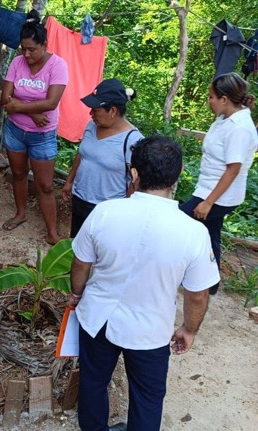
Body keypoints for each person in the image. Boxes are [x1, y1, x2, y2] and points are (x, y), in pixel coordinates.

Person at [69, 136, 220, 431]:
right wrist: (189, 329)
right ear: (176, 178)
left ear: (134, 174)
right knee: (148, 397)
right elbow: (198, 294)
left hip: (98, 318)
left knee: (92, 383)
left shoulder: (104, 212)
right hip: (150, 331)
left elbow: (80, 264)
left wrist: (77, 294)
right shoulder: (193, 233)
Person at [180, 72, 258, 295]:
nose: (208, 101)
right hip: (208, 188)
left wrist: (207, 203)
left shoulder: (240, 127)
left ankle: (188, 275)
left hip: (219, 195)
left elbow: (233, 169)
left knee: (182, 222)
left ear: (224, 99)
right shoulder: (224, 119)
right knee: (210, 233)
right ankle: (210, 283)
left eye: (211, 96)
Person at [0, 9, 68, 244]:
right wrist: (32, 111)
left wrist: (18, 106)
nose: (26, 54)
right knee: (18, 174)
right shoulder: (17, 63)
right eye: (23, 49)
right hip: (15, 131)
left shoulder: (58, 66)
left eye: (32, 49)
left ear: (45, 45)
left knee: (46, 185)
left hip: (43, 135)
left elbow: (51, 103)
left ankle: (52, 232)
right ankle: (20, 214)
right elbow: (4, 100)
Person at [62, 79, 144, 237]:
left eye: (95, 110)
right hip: (80, 199)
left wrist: (125, 212)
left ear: (112, 111)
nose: (91, 114)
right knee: (76, 245)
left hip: (107, 210)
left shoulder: (133, 141)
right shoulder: (91, 126)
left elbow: (136, 181)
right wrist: (69, 181)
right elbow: (82, 154)